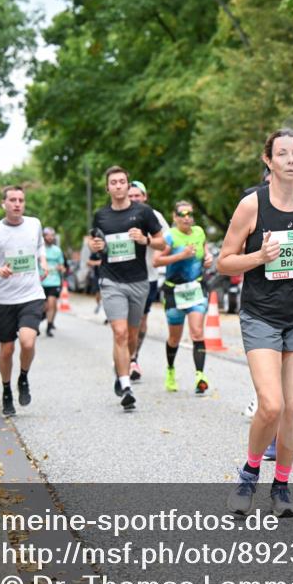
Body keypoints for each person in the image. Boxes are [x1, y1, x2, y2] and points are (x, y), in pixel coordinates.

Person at [218, 129, 293, 518]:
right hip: (262, 315)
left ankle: (281, 487)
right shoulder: (252, 206)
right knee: (271, 405)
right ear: (268, 161)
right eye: (282, 153)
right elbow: (224, 261)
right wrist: (259, 258)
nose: (290, 159)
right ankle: (249, 475)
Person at [87, 166, 166, 410]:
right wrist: (95, 245)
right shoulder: (101, 215)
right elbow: (95, 243)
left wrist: (146, 240)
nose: (119, 185)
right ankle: (125, 385)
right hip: (111, 281)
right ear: (108, 188)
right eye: (114, 182)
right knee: (119, 332)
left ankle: (123, 365)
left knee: (131, 336)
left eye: (122, 181)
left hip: (139, 282)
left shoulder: (143, 212)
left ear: (127, 185)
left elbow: (164, 242)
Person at [0, 186, 48, 417]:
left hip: (31, 295)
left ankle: (23, 377)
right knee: (6, 350)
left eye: (21, 200)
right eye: (13, 200)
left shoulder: (34, 224)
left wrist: (43, 262)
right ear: (3, 204)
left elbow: (39, 246)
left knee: (27, 342)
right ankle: (6, 390)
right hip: (3, 298)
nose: (17, 204)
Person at [153, 200, 213, 394]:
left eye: (189, 214)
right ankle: (170, 369)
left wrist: (208, 258)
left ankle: (200, 376)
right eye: (182, 214)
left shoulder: (199, 232)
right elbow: (157, 261)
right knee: (174, 338)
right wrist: (181, 256)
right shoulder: (169, 237)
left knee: (197, 332)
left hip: (196, 288)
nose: (187, 217)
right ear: (175, 217)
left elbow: (205, 251)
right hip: (174, 291)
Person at [129, 181, 169, 381]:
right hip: (123, 277)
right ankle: (125, 357)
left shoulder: (155, 216)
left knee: (141, 320)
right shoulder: (119, 214)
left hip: (148, 276)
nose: (134, 199)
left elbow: (166, 244)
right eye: (131, 195)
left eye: (138, 196)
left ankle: (133, 358)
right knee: (125, 322)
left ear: (145, 197)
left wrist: (147, 241)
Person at [40, 227, 66, 337]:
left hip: (54, 281)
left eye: (52, 235)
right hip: (41, 281)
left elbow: (62, 265)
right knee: (44, 306)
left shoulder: (57, 250)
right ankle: (42, 317)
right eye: (48, 235)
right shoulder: (40, 250)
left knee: (52, 304)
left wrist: (61, 269)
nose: (50, 237)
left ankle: (49, 326)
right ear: (44, 236)